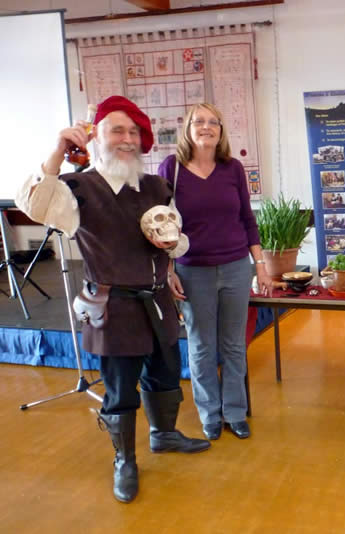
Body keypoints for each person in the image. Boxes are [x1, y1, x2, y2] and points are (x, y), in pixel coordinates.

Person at [15, 95, 210, 504]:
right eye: (116, 130)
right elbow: (34, 206)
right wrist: (56, 152)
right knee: (120, 390)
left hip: (158, 302)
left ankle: (165, 434)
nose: (126, 138)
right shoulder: (77, 188)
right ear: (96, 137)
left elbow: (177, 240)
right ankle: (125, 461)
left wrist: (174, 248)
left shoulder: (157, 186)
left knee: (165, 373)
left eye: (133, 131)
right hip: (113, 307)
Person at [158, 103, 274, 442]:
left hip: (237, 268)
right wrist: (169, 270)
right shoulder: (172, 168)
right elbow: (162, 224)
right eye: (199, 121)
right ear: (188, 128)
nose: (206, 127)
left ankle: (235, 412)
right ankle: (210, 414)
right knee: (202, 346)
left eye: (213, 122)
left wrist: (260, 265)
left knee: (234, 345)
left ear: (221, 130)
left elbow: (247, 220)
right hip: (193, 272)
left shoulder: (232, 168)